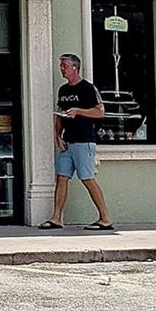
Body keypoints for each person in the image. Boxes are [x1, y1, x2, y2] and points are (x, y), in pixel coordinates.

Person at [38, 52, 114, 230]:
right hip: (67, 142)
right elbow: (59, 116)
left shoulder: (87, 88)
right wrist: (57, 136)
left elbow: (100, 112)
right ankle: (57, 217)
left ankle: (105, 218)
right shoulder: (63, 90)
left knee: (87, 178)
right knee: (62, 178)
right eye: (61, 66)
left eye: (64, 66)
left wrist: (78, 111)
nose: (62, 69)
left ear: (75, 67)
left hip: (84, 141)